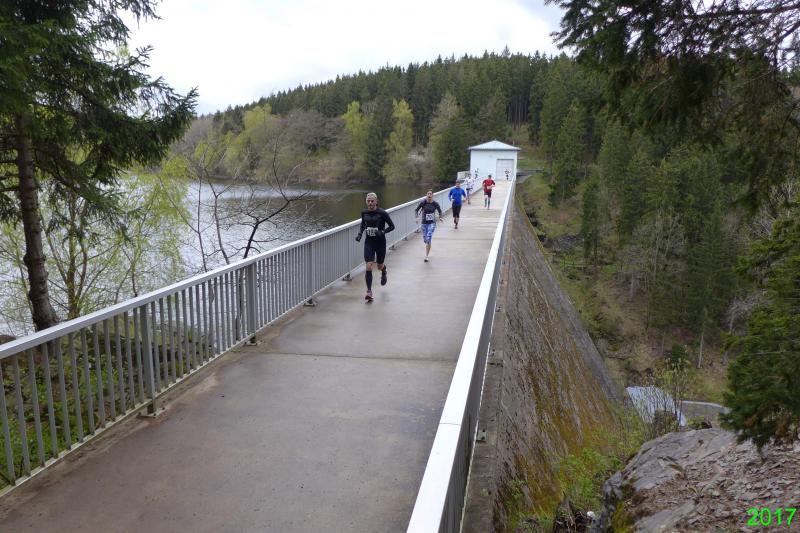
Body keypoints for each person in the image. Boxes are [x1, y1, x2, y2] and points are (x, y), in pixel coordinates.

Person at [355, 192, 395, 301]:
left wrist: (382, 232)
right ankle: (369, 291)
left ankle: (384, 270)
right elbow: (363, 224)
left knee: (379, 266)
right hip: (369, 243)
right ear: (366, 202)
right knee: (369, 266)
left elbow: (392, 226)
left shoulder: (382, 213)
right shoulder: (364, 213)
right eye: (368, 201)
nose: (370, 203)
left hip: (380, 243)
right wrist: (360, 234)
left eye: (372, 201)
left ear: (376, 202)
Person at [414, 190, 443, 262]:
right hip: (424, 223)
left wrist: (440, 217)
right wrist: (417, 217)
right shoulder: (423, 202)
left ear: (432, 195)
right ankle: (427, 243)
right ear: (426, 195)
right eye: (428, 194)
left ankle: (426, 256)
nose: (429, 195)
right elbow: (416, 210)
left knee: (428, 237)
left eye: (430, 194)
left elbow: (440, 211)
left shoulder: (435, 204)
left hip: (432, 223)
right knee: (425, 239)